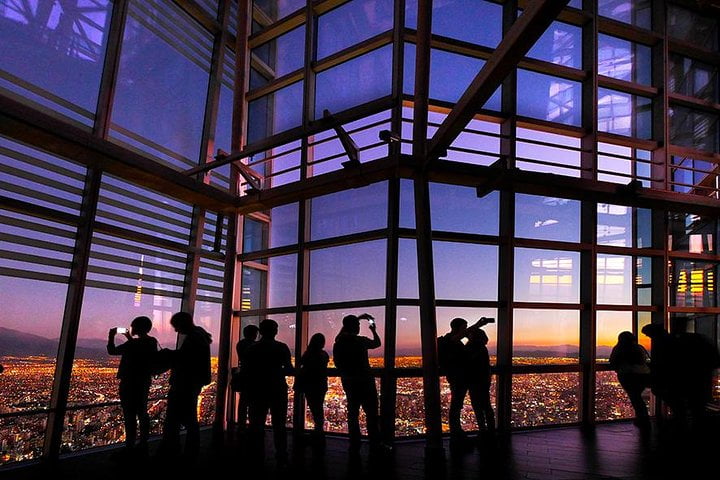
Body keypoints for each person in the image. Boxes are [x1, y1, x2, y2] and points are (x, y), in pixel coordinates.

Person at [158, 311, 212, 460]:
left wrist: (169, 354)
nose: (176, 330)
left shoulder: (194, 338)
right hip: (193, 383)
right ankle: (189, 450)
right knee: (188, 418)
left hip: (185, 383)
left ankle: (175, 450)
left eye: (176, 326)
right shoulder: (200, 335)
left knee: (176, 418)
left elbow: (186, 359)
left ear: (183, 324)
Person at [333, 313, 389, 455]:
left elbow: (338, 361)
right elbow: (377, 343)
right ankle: (375, 444)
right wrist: (373, 329)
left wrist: (356, 319)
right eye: (357, 325)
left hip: (349, 383)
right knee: (371, 414)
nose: (359, 327)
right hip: (365, 382)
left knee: (352, 415)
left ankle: (354, 444)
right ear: (354, 326)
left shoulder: (338, 342)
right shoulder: (360, 341)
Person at [244, 319, 293, 466]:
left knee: (256, 423)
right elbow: (289, 369)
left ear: (261, 331)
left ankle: (256, 453)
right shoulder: (282, 348)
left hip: (257, 389)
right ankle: (281, 453)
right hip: (277, 388)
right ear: (275, 331)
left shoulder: (252, 349)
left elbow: (247, 370)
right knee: (279, 424)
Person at [107, 316, 159, 452]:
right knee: (142, 412)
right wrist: (129, 338)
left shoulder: (133, 344)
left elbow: (112, 351)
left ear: (137, 327)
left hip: (129, 383)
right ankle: (143, 442)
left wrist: (111, 336)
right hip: (143, 382)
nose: (131, 328)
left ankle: (130, 445)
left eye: (133, 326)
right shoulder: (152, 342)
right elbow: (139, 349)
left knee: (129, 415)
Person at [609, 331, 651, 428]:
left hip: (627, 376)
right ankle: (643, 419)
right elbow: (644, 361)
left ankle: (643, 420)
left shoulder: (619, 349)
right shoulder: (639, 348)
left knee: (635, 398)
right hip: (644, 375)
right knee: (637, 398)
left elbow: (613, 362)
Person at [295, 333, 330, 448]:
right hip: (320, 385)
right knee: (318, 408)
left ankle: (317, 433)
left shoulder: (307, 354)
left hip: (309, 385)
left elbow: (301, 364)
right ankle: (319, 433)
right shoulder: (324, 355)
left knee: (315, 409)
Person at [465, 328, 496, 437]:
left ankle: (483, 430)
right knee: (486, 405)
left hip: (474, 381)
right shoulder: (483, 348)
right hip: (484, 380)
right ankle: (491, 430)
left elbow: (468, 361)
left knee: (478, 406)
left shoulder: (472, 348)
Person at [235, 324, 259, 434]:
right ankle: (252, 427)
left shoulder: (241, 344)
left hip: (244, 376)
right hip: (253, 378)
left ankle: (241, 426)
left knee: (243, 403)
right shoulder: (253, 346)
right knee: (253, 404)